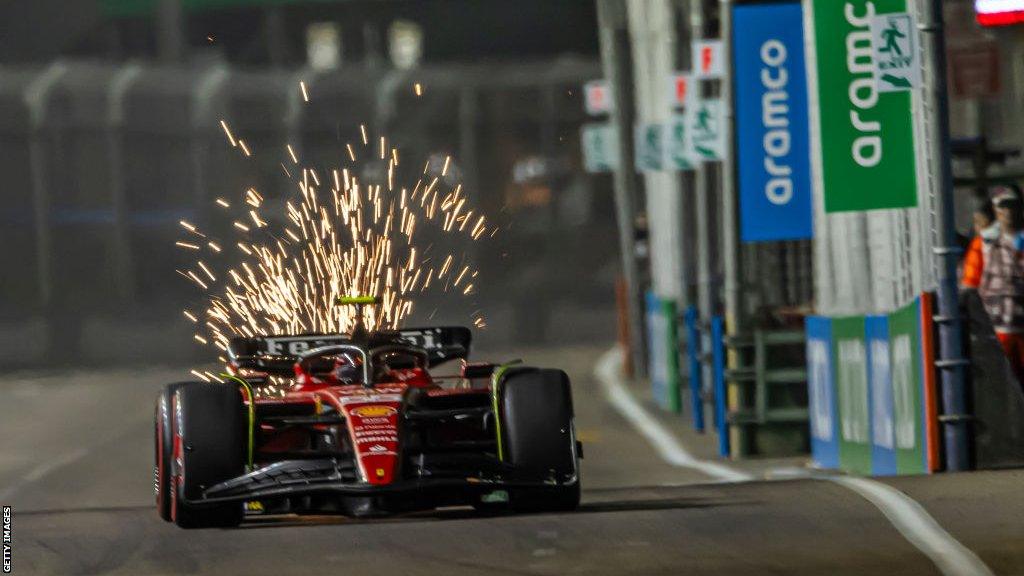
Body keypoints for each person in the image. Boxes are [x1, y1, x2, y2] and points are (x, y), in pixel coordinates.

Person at [963, 185, 1024, 382]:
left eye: (1012, 206)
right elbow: (970, 284)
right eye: (1002, 206)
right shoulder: (983, 243)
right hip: (995, 328)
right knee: (1004, 382)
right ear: (996, 209)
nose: (1008, 212)